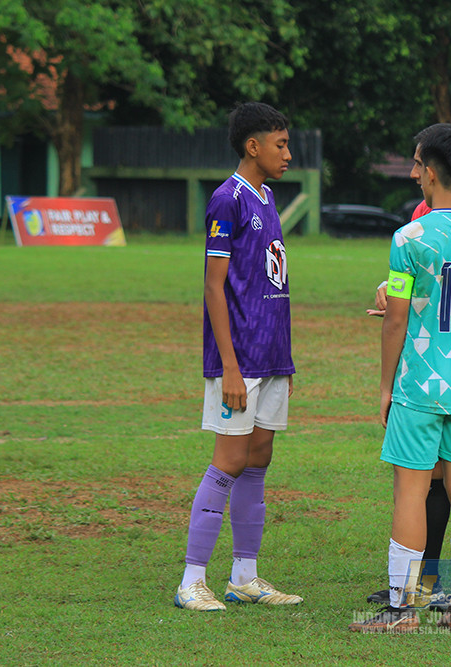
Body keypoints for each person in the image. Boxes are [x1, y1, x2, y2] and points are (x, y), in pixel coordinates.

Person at [348, 124, 451, 633]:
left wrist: (385, 386)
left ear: (433, 172)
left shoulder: (408, 238)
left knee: (411, 492)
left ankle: (400, 611)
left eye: (418, 165)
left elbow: (396, 319)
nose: (414, 174)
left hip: (419, 384)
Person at [174, 102, 303, 611]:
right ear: (253, 146)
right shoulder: (227, 200)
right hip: (239, 360)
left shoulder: (267, 197)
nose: (287, 154)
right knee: (228, 462)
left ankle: (245, 576)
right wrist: (229, 365)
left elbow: (270, 282)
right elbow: (213, 287)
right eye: (280, 144)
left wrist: (284, 360)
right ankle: (191, 582)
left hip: (271, 357)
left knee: (258, 461)